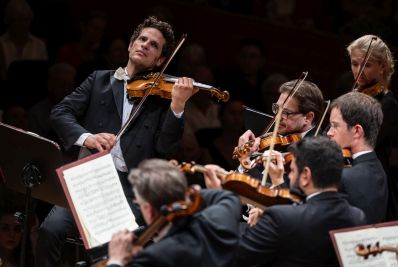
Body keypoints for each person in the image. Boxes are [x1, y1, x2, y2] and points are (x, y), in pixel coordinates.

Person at [35, 16, 197, 267]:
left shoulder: (163, 99)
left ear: (161, 60)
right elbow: (60, 112)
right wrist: (87, 137)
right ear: (131, 44)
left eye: (154, 45)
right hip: (88, 179)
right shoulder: (99, 80)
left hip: (129, 190)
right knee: (50, 230)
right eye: (142, 39)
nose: (145, 45)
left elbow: (166, 148)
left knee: (110, 252)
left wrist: (178, 105)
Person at [205, 136, 366, 266]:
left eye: (293, 170)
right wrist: (278, 182)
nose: (289, 175)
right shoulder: (357, 216)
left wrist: (220, 200)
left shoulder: (279, 217)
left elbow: (234, 257)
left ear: (306, 176)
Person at [105, 158, 242, 267]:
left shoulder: (153, 258)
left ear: (149, 209)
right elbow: (226, 197)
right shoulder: (220, 218)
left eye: (139, 204)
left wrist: (115, 261)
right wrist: (185, 192)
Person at [346, 34, 398, 219]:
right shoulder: (354, 94)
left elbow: (367, 143)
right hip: (348, 169)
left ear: (382, 66)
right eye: (354, 64)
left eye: (366, 65)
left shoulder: (387, 104)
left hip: (371, 179)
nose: (359, 71)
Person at [235, 79, 324, 184]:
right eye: (277, 108)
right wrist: (244, 164)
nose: (278, 117)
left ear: (308, 118)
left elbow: (269, 190)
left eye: (286, 112)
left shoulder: (315, 152)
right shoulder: (277, 139)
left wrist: (245, 162)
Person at [327, 92, 388, 224]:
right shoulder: (378, 168)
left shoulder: (346, 177)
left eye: (335, 125)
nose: (329, 133)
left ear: (357, 131)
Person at [0, 0, 48, 80]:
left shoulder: (39, 45)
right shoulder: (1, 43)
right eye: (17, 21)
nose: (22, 25)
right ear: (8, 21)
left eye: (26, 20)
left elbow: (43, 74)